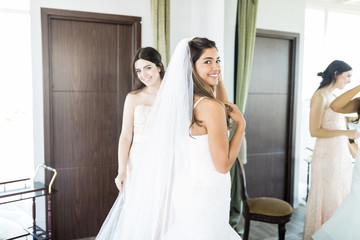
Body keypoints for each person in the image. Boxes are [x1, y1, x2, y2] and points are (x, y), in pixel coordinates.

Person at [162, 37, 245, 240]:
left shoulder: (185, 102)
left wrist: (216, 76)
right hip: (208, 194)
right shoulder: (210, 106)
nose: (215, 66)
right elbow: (223, 165)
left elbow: (222, 106)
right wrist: (241, 125)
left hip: (188, 189)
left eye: (218, 60)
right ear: (192, 66)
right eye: (207, 61)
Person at [96, 46, 165, 239]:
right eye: (138, 70)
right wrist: (122, 170)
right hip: (139, 162)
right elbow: (125, 135)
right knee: (139, 212)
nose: (143, 74)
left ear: (159, 66)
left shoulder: (174, 96)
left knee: (163, 211)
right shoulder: (134, 97)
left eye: (148, 68)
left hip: (165, 161)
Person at [303, 60, 359, 240]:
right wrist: (347, 131)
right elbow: (314, 131)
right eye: (347, 76)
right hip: (326, 157)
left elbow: (341, 129)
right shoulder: (320, 96)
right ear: (336, 73)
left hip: (340, 155)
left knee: (340, 197)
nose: (349, 80)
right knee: (327, 197)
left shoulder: (334, 96)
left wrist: (352, 151)